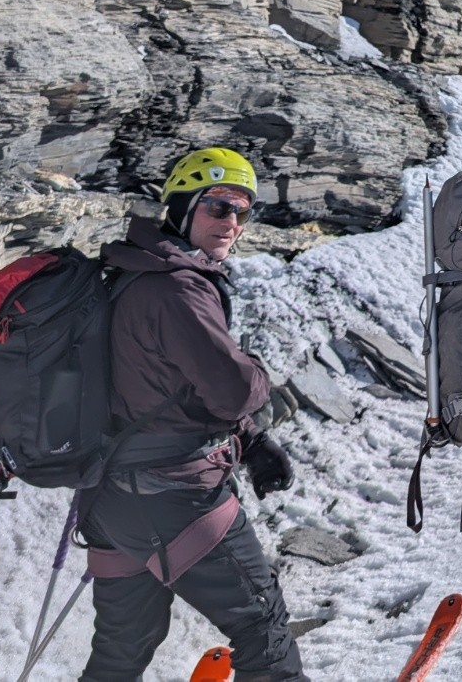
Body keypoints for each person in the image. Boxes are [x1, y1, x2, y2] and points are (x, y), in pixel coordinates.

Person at [79, 147, 307, 682]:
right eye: (218, 206)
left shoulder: (134, 271)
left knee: (121, 649)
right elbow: (233, 390)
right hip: (176, 496)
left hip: (113, 498)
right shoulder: (178, 287)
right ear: (181, 207)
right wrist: (255, 369)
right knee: (262, 624)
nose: (232, 223)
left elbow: (169, 386)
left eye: (242, 211)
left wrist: (250, 443)